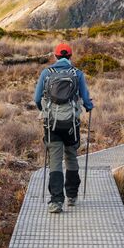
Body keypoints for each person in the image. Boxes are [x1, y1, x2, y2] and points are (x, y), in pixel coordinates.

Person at [34, 42, 94, 214]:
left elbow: (37, 98)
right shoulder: (77, 74)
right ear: (70, 56)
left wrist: (45, 111)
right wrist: (89, 107)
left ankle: (56, 201)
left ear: (55, 56)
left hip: (51, 124)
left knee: (55, 160)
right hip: (71, 124)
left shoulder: (46, 73)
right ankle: (72, 195)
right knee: (71, 156)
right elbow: (86, 99)